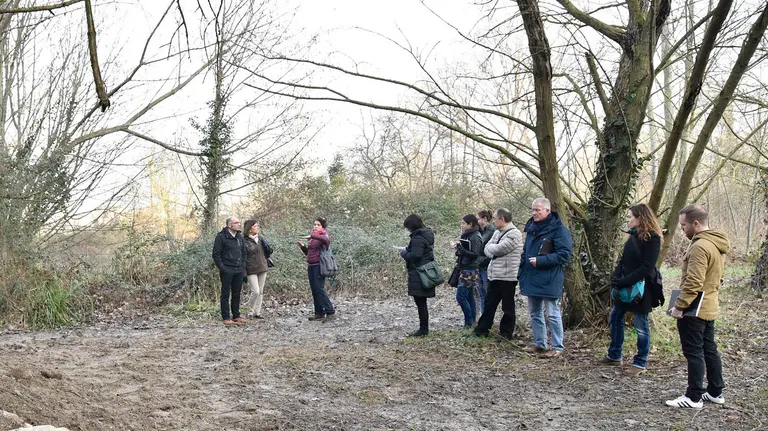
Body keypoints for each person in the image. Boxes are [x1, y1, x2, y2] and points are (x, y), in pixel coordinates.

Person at [666, 204, 730, 409]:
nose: (682, 229)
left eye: (684, 226)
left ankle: (693, 397)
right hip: (710, 305)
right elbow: (718, 277)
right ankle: (715, 392)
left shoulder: (700, 246)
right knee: (709, 349)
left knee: (694, 352)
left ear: (696, 223)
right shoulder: (715, 243)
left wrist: (680, 306)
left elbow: (693, 281)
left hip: (695, 309)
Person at [600, 204, 662, 375]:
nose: (628, 220)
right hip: (624, 287)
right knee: (615, 317)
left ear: (640, 218)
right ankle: (615, 355)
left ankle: (640, 363)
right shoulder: (632, 236)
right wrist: (616, 277)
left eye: (630, 217)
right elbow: (623, 261)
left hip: (642, 290)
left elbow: (647, 267)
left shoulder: (653, 238)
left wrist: (625, 281)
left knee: (641, 325)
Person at [518, 198, 573, 358]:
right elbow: (525, 253)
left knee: (552, 314)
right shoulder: (531, 229)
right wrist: (521, 272)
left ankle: (557, 347)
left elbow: (565, 255)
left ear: (547, 211)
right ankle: (540, 344)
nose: (534, 213)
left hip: (550, 278)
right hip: (531, 278)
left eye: (538, 210)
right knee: (535, 313)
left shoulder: (559, 230)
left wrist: (541, 261)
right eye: (533, 210)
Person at [472, 208, 523, 340]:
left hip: (507, 276)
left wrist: (492, 249)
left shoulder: (514, 234)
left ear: (502, 219)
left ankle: (506, 333)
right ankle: (482, 330)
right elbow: (487, 248)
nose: (493, 221)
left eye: (495, 218)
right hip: (494, 275)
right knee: (489, 304)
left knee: (508, 306)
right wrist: (492, 249)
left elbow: (499, 249)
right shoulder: (497, 232)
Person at [400, 214, 436, 337]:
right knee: (422, 302)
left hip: (419, 273)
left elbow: (415, 256)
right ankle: (423, 328)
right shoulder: (427, 235)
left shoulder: (417, 238)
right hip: (425, 271)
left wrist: (404, 253)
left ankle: (423, 329)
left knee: (420, 302)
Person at [296, 217, 336, 322]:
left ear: (322, 227)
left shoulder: (324, 236)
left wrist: (312, 235)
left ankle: (330, 311)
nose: (315, 226)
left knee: (319, 289)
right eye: (314, 224)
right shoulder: (313, 238)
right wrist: (303, 247)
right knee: (314, 290)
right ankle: (319, 312)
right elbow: (310, 253)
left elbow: (325, 240)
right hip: (311, 265)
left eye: (318, 225)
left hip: (319, 265)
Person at [212, 216, 248, 325]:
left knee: (237, 293)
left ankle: (236, 315)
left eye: (239, 222)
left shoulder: (239, 237)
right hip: (227, 269)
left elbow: (244, 252)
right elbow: (216, 254)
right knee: (225, 294)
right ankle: (226, 317)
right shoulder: (221, 237)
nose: (238, 224)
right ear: (229, 225)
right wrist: (223, 268)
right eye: (236, 222)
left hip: (238, 270)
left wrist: (243, 266)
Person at [453, 214, 484, 329]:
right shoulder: (467, 235)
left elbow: (475, 254)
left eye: (464, 223)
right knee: (469, 295)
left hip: (470, 270)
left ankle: (469, 321)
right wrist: (459, 248)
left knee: (461, 296)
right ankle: (471, 321)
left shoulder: (475, 237)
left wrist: (462, 249)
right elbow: (466, 251)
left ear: (470, 224)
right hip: (465, 268)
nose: (462, 225)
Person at [243, 220, 273, 320]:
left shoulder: (260, 238)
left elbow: (269, 251)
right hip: (251, 268)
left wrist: (267, 246)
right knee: (255, 291)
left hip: (262, 267)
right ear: (249, 228)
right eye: (255, 226)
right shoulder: (244, 240)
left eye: (257, 226)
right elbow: (243, 256)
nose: (257, 227)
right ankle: (250, 312)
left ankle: (257, 312)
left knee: (260, 291)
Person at [476, 209, 495, 313]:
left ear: (485, 218)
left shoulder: (491, 230)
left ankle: (487, 316)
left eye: (478, 219)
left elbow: (480, 243)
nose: (477, 221)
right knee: (481, 293)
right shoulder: (480, 230)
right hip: (479, 264)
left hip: (486, 265)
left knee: (487, 293)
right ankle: (483, 316)